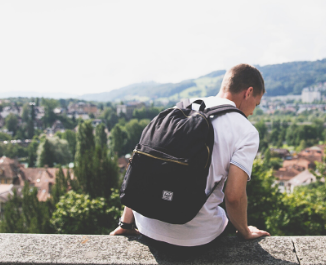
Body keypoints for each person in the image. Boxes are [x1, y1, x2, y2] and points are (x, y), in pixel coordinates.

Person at [110, 63, 270, 251]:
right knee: (221, 220)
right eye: (256, 104)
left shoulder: (180, 108)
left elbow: (146, 165)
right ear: (248, 92)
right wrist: (245, 231)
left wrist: (126, 224)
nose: (252, 111)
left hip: (146, 225)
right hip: (196, 237)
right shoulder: (246, 131)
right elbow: (234, 197)